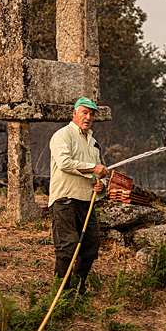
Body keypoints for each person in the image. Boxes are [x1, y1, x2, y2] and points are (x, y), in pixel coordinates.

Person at [48, 97, 109, 294]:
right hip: (64, 200)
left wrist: (101, 185)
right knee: (68, 245)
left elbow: (96, 174)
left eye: (91, 114)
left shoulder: (93, 143)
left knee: (91, 245)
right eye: (84, 112)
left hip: (87, 202)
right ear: (74, 113)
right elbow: (65, 163)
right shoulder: (62, 135)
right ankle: (62, 292)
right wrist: (93, 168)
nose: (88, 117)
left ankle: (78, 287)